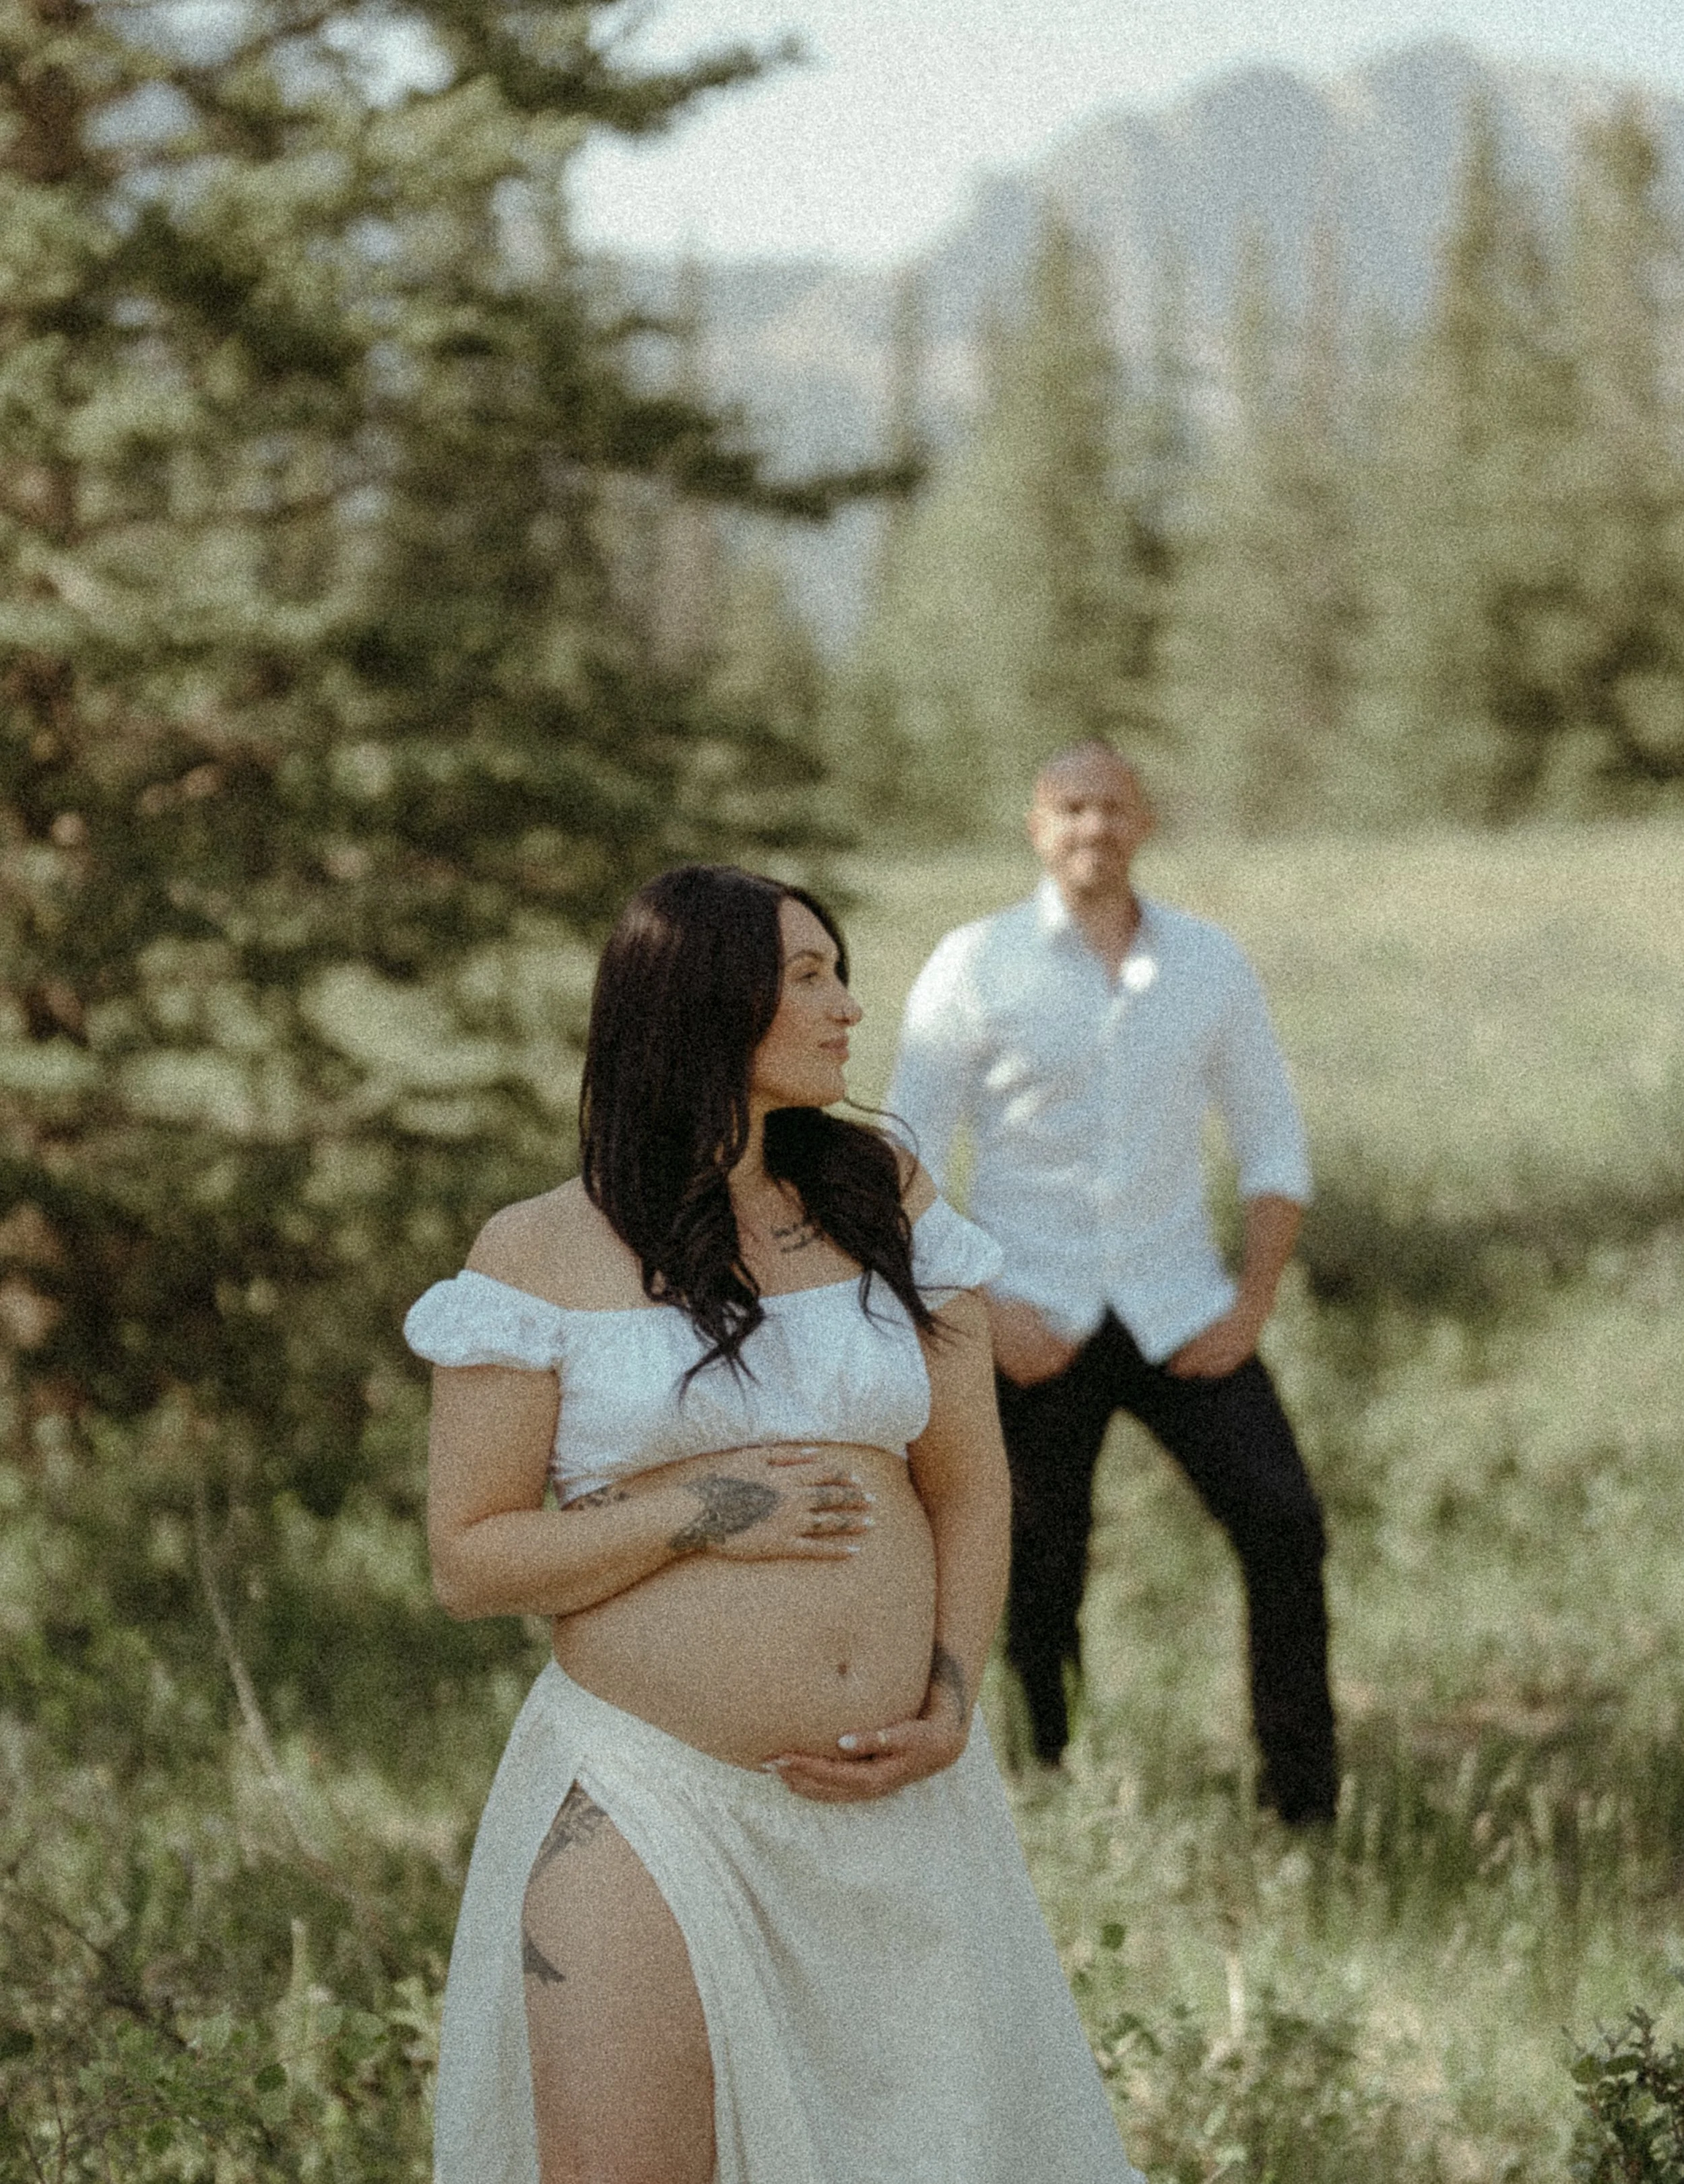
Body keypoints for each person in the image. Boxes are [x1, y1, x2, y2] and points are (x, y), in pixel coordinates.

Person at [403, 864, 1146, 2184]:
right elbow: (470, 1557)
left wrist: (952, 1693)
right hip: (647, 1794)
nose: (847, 1008)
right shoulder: (535, 1253)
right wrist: (700, 1511)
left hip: (894, 1804)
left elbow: (969, 1485)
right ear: (702, 1002)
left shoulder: (887, 1198)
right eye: (807, 977)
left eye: (836, 971)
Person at [887, 744, 1338, 1825]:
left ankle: (1304, 1807)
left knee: (1286, 1525)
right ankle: (1054, 1787)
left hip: (1184, 1311)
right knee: (1039, 1565)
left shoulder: (1209, 963)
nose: (1092, 826)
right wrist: (983, 1310)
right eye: (1070, 808)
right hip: (1029, 1316)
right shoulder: (974, 962)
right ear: (1038, 826)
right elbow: (901, 1155)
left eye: (1112, 807)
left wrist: (1252, 1305)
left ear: (1143, 823)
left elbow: (1274, 1144)